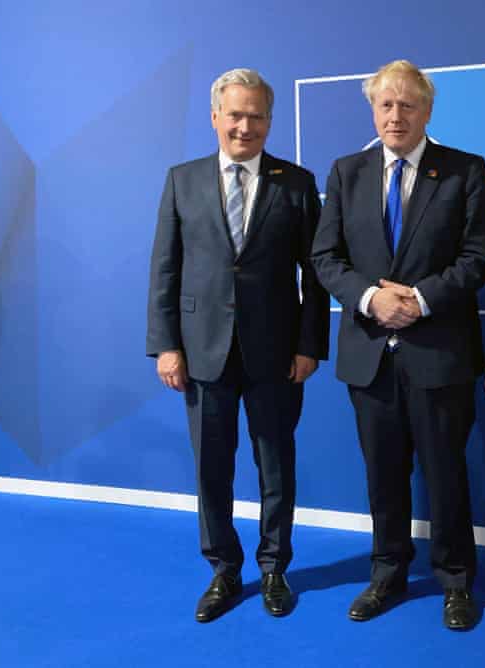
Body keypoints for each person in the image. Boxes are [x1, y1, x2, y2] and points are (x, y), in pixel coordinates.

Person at [311, 60, 485, 630]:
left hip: (438, 351)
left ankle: (457, 580)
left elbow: (479, 257)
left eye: (407, 105)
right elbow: (326, 258)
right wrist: (371, 299)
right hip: (369, 355)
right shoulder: (347, 172)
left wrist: (418, 299)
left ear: (427, 111)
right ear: (373, 111)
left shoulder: (465, 171)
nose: (396, 115)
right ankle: (387, 574)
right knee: (382, 475)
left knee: (446, 475)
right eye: (386, 105)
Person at [146, 68, 329, 623]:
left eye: (256, 116)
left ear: (270, 120)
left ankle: (274, 568)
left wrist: (309, 345)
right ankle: (224, 570)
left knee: (276, 464)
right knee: (211, 469)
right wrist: (166, 346)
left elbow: (316, 276)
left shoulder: (297, 183)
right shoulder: (183, 179)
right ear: (215, 117)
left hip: (276, 353)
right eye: (235, 114)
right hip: (201, 351)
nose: (245, 126)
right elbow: (165, 269)